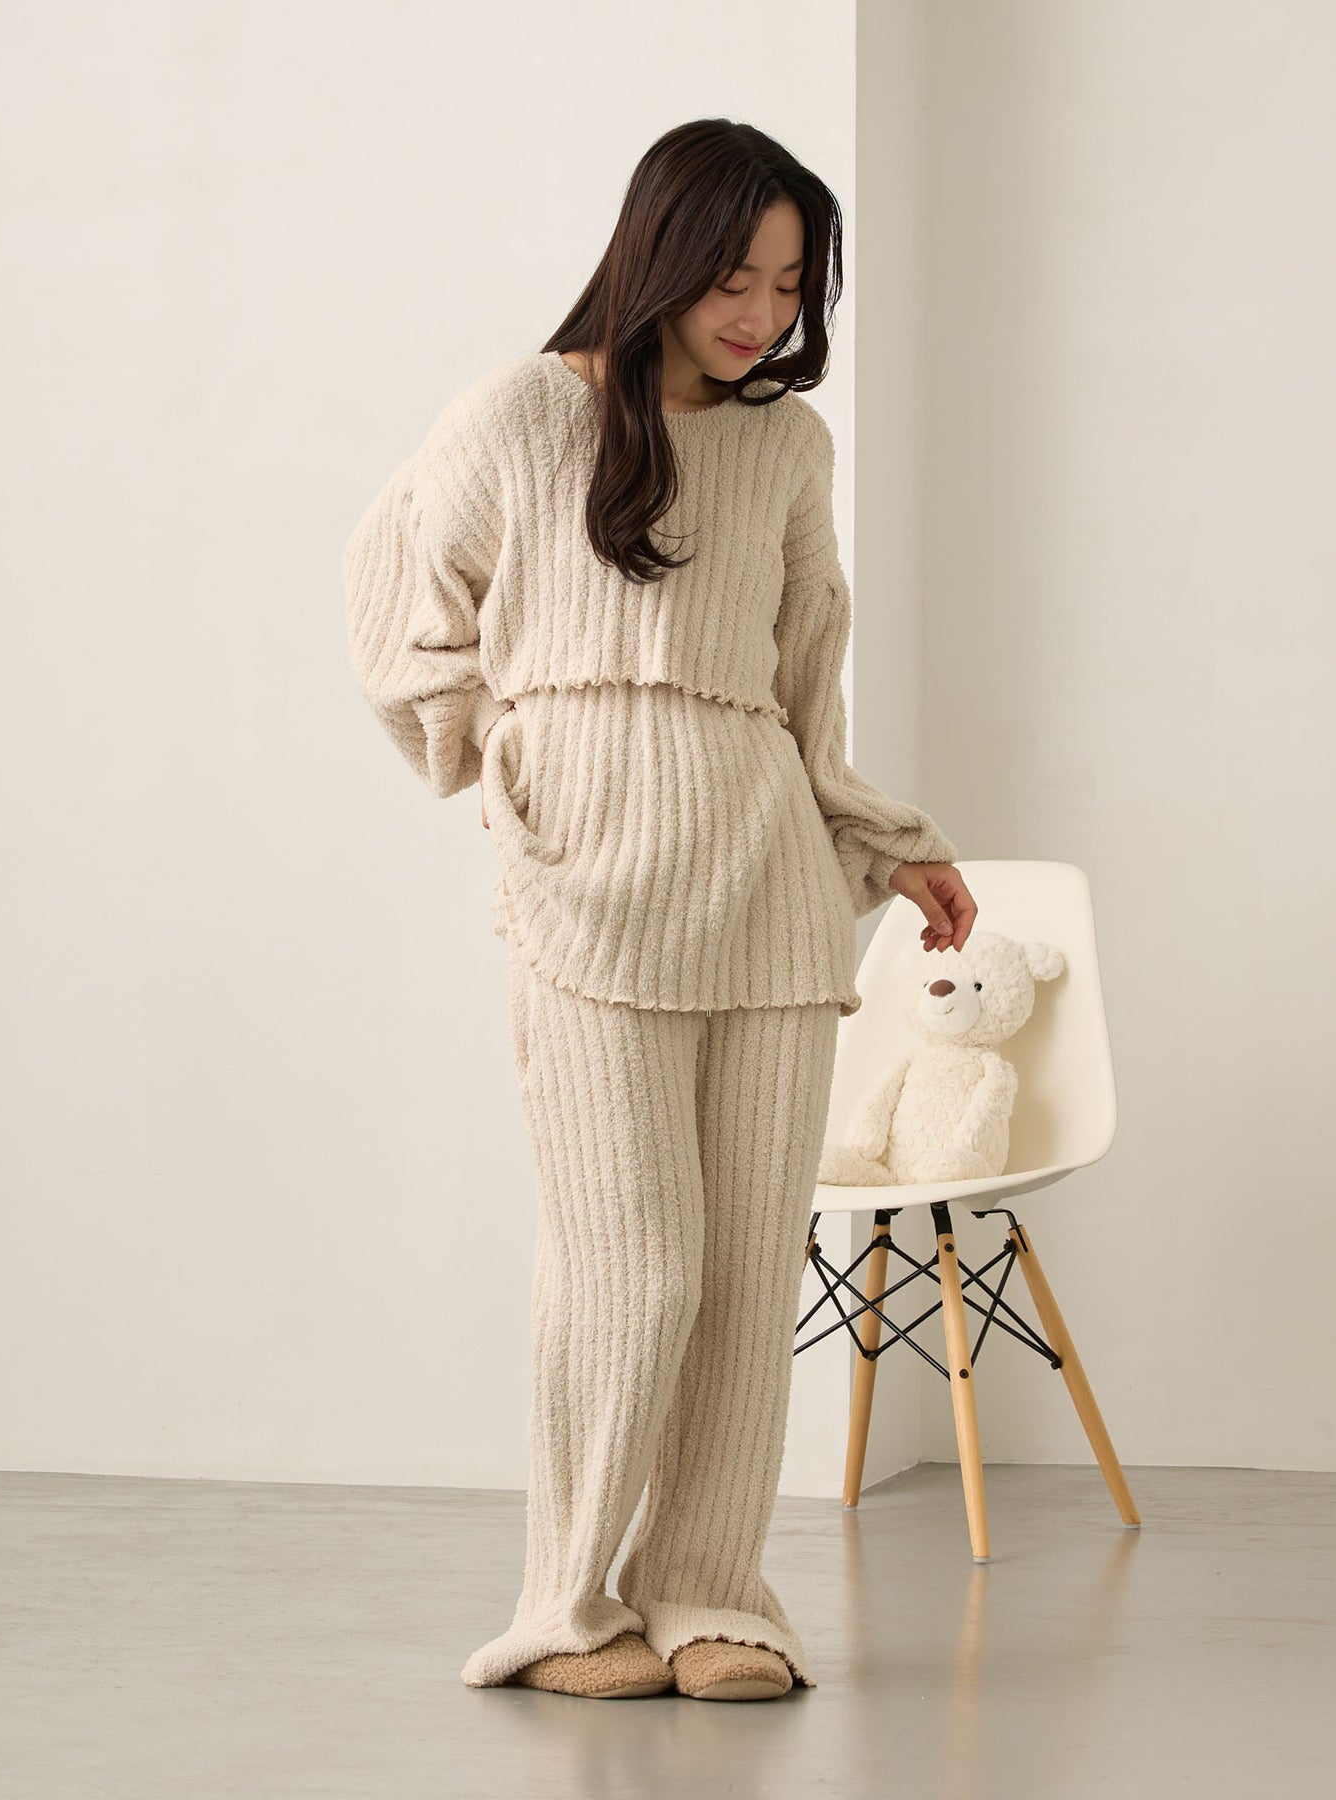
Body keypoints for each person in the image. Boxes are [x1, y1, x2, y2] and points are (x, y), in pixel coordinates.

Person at [344, 117, 978, 1703]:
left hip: (764, 887)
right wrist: (504, 762)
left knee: (748, 1272)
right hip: (588, 893)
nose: (760, 313)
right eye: (730, 277)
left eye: (789, 282)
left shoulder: (787, 445)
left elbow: (803, 684)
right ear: (658, 258)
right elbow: (398, 604)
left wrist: (884, 841)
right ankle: (568, 1609)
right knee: (635, 1269)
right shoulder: (519, 413)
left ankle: (707, 1595)